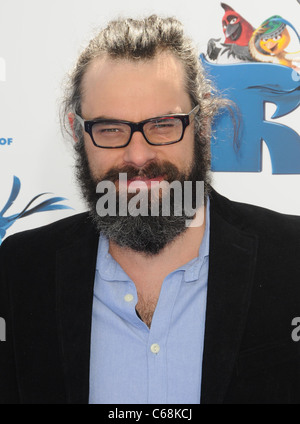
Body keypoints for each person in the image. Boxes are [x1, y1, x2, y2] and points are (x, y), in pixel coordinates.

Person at [0, 15, 300, 405]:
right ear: (78, 133)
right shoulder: (19, 272)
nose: (138, 155)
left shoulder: (292, 259)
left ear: (202, 123)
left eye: (162, 124)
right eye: (109, 128)